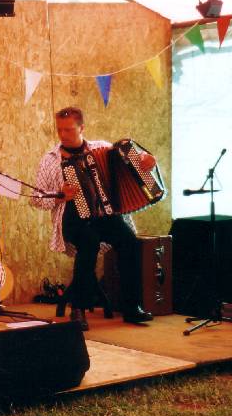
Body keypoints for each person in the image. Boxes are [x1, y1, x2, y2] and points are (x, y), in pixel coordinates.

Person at [30, 107, 155, 331]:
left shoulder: (103, 148)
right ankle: (78, 309)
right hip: (72, 219)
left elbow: (134, 166)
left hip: (103, 215)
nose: (63, 135)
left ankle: (131, 306)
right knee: (89, 242)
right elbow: (36, 199)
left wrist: (145, 161)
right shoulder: (50, 160)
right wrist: (60, 195)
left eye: (68, 130)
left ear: (82, 128)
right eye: (59, 130)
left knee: (130, 242)